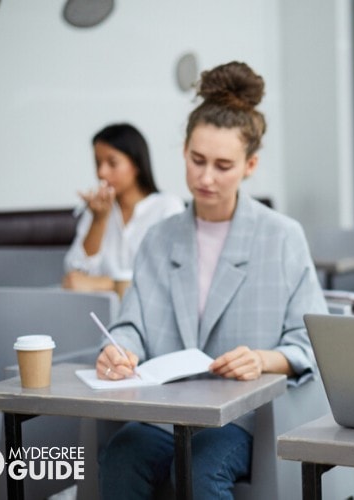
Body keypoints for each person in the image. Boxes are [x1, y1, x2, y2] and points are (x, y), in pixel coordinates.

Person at [95, 61, 326, 498]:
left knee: (201, 468)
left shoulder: (282, 236)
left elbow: (311, 341)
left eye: (223, 165)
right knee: (122, 453)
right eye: (197, 160)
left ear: (251, 164)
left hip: (241, 418)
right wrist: (119, 349)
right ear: (183, 151)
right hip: (165, 412)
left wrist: (263, 358)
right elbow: (133, 323)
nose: (205, 178)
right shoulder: (159, 238)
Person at [62, 123, 184, 293]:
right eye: (98, 163)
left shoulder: (167, 207)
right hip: (98, 313)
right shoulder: (97, 211)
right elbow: (75, 277)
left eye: (112, 163)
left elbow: (165, 275)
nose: (101, 173)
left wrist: (109, 285)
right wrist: (99, 221)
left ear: (136, 165)